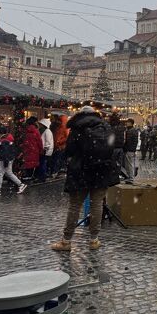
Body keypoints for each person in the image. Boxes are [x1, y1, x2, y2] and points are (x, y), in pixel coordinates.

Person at [51, 106, 119, 251]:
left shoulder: (77, 127)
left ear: (81, 114)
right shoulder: (105, 126)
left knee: (75, 205)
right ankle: (94, 240)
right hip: (101, 170)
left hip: (81, 170)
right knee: (97, 205)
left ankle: (66, 241)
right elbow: (112, 147)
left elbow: (69, 150)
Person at [0, 127, 27, 196]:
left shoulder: (4, 141)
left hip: (4, 159)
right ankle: (21, 184)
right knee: (9, 173)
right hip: (9, 159)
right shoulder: (9, 138)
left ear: (0, 133)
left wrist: (5, 161)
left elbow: (4, 152)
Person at [38, 118, 54, 183]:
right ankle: (42, 176)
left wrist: (45, 149)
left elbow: (48, 142)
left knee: (43, 164)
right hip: (45, 151)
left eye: (41, 124)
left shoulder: (47, 131)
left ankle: (43, 177)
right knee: (43, 164)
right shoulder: (46, 131)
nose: (40, 125)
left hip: (45, 151)